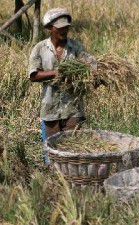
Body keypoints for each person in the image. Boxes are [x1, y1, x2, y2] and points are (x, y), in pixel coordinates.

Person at [28, 8, 97, 165]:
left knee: (72, 151)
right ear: (50, 28)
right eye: (59, 27)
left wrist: (97, 77)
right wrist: (57, 73)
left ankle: (72, 184)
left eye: (66, 27)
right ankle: (54, 183)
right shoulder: (40, 48)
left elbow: (91, 67)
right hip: (50, 108)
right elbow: (34, 75)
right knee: (52, 153)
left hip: (73, 108)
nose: (64, 30)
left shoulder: (76, 48)